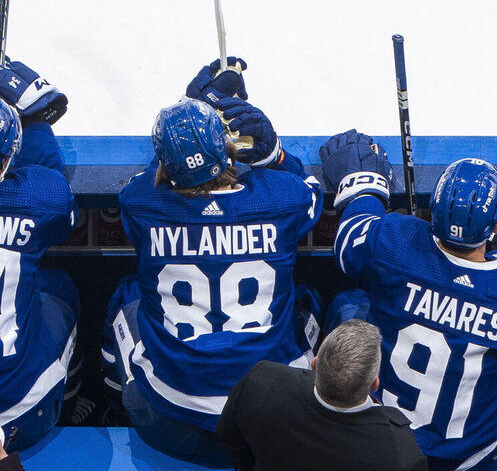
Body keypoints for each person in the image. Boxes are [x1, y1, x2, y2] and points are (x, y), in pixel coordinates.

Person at [101, 58, 323, 465]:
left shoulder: (139, 202)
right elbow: (308, 190)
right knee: (307, 300)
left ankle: (110, 404)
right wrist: (271, 153)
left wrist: (190, 118)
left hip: (168, 417)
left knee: (126, 297)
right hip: (270, 417)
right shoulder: (280, 197)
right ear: (228, 148)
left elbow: (160, 176)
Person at [320, 131, 497, 471]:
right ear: (495, 228)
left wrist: (366, 187)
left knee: (349, 303)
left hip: (385, 441)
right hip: (470, 455)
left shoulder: (396, 242)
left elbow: (348, 242)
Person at [217, 319, 429, 471]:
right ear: (375, 383)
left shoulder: (263, 382)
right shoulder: (400, 454)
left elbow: (230, 436)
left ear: (315, 364)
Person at [0, 59, 81, 452]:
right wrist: (32, 117)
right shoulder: (33, 199)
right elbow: (57, 200)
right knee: (59, 287)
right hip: (17, 409)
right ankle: (74, 400)